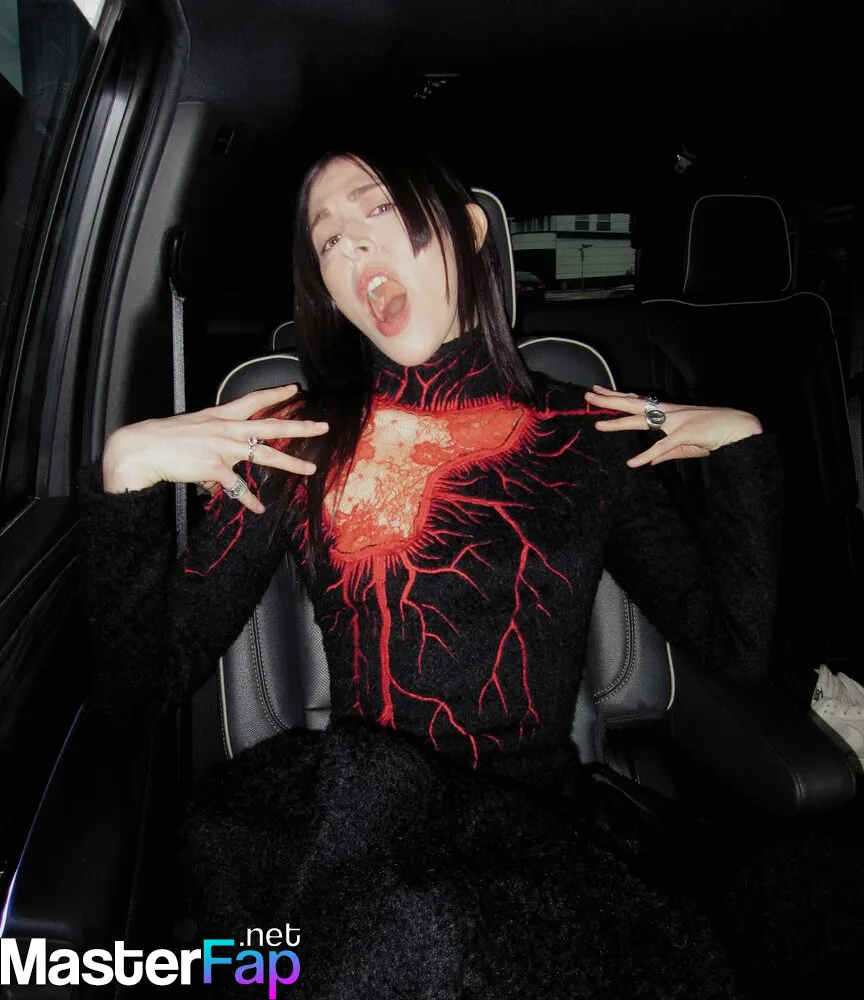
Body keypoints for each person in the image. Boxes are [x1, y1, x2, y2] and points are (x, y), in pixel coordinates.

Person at [77, 147, 802, 998]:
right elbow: (139, 687)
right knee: (411, 943)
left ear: (469, 230)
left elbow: (733, 646)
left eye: (378, 209)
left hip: (540, 836)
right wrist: (126, 471)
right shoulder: (296, 440)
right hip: (359, 827)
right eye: (328, 241)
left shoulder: (581, 435)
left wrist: (742, 447)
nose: (351, 246)